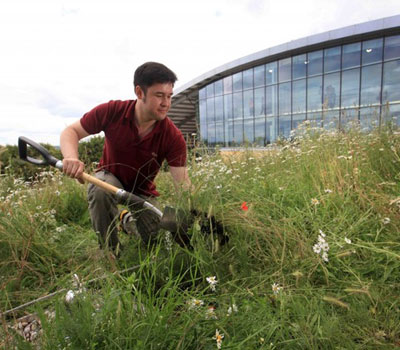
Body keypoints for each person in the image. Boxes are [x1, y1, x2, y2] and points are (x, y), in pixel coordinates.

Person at [60, 62, 191, 254]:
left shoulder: (173, 136)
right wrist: (71, 157)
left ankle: (127, 220)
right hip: (110, 178)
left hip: (142, 192)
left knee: (159, 244)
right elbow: (70, 131)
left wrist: (192, 217)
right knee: (99, 189)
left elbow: (183, 186)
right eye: (159, 95)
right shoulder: (112, 111)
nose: (166, 103)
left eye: (169, 96)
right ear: (139, 92)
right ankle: (110, 253)